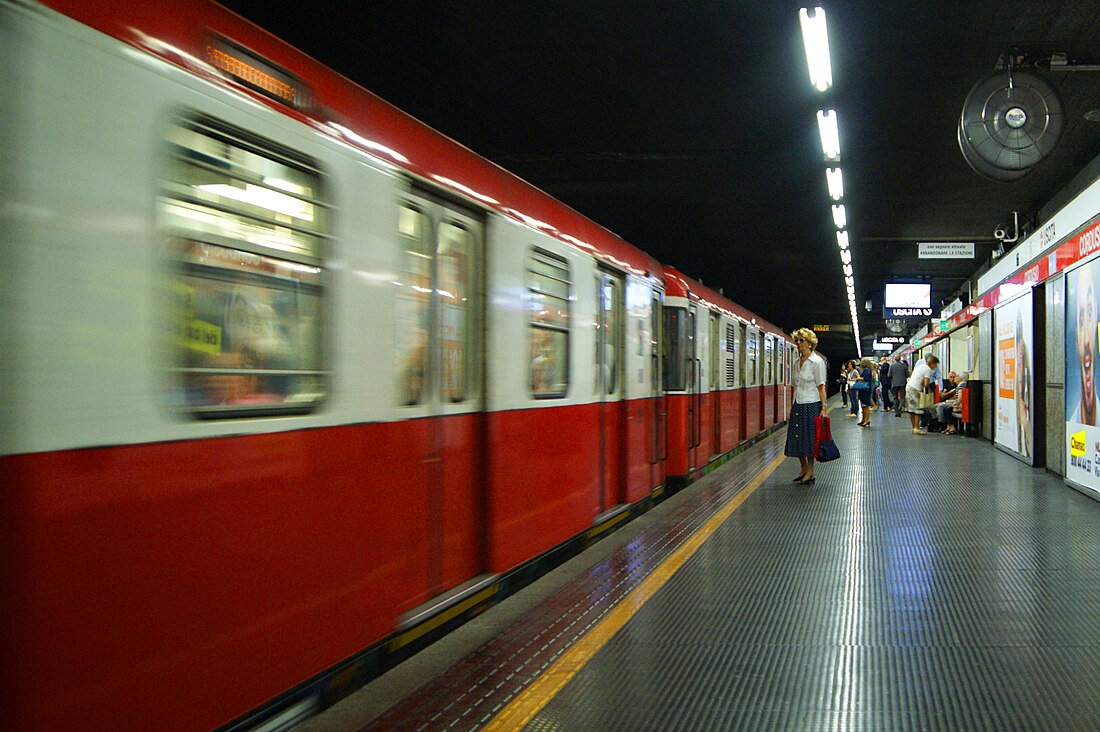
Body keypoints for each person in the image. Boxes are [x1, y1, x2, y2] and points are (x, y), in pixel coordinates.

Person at [784, 328, 828, 485]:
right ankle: (803, 469)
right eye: (797, 340)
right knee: (796, 438)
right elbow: (795, 386)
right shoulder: (797, 363)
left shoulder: (817, 362)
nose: (798, 343)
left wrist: (823, 408)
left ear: (810, 343)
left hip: (812, 404)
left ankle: (810, 472)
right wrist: (792, 405)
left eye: (801, 340)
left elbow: (821, 386)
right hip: (799, 404)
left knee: (809, 440)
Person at [1072, 261, 1099, 425]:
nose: (1087, 341)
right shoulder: (1072, 419)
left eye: (1089, 313)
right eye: (1081, 319)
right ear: (1076, 338)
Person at [906, 354, 939, 434]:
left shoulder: (920, 366)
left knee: (911, 409)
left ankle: (913, 427)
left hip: (909, 386)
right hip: (916, 389)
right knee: (918, 409)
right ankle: (917, 428)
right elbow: (926, 384)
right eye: (936, 365)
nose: (936, 367)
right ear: (932, 363)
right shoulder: (928, 370)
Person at [856, 358, 874, 427]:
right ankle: (864, 420)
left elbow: (865, 379)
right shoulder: (868, 370)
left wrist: (858, 378)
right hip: (865, 389)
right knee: (863, 405)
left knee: (865, 405)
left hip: (865, 389)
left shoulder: (866, 370)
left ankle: (866, 420)